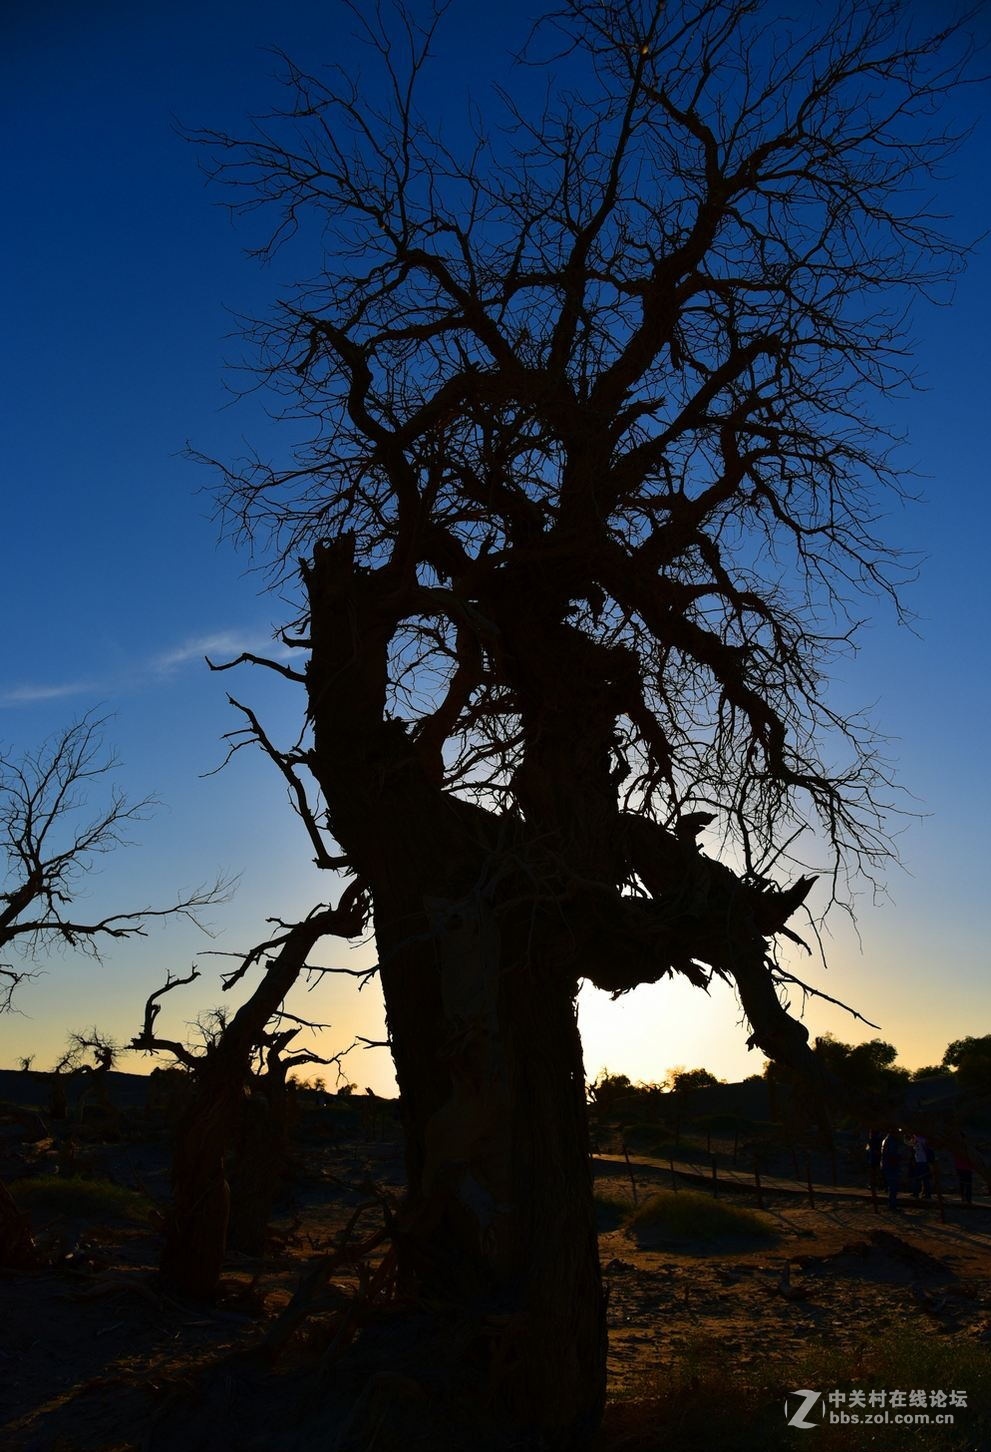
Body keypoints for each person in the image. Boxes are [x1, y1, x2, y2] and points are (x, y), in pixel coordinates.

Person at [880, 1128, 903, 1211]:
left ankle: (892, 1204)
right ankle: (892, 1205)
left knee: (892, 1186)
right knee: (893, 1186)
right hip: (891, 1165)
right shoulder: (891, 1141)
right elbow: (893, 1155)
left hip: (887, 1165)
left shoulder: (886, 1140)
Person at [910, 1132, 933, 1200]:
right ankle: (919, 1192)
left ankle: (924, 1193)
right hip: (919, 1161)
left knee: (923, 1178)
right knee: (920, 1178)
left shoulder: (920, 1139)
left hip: (922, 1161)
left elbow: (910, 1143)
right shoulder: (917, 1139)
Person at [953, 1137, 974, 1205]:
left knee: (963, 1184)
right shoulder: (967, 1147)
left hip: (961, 1167)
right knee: (967, 1184)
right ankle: (967, 1199)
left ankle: (964, 1198)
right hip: (966, 1167)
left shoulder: (957, 1147)